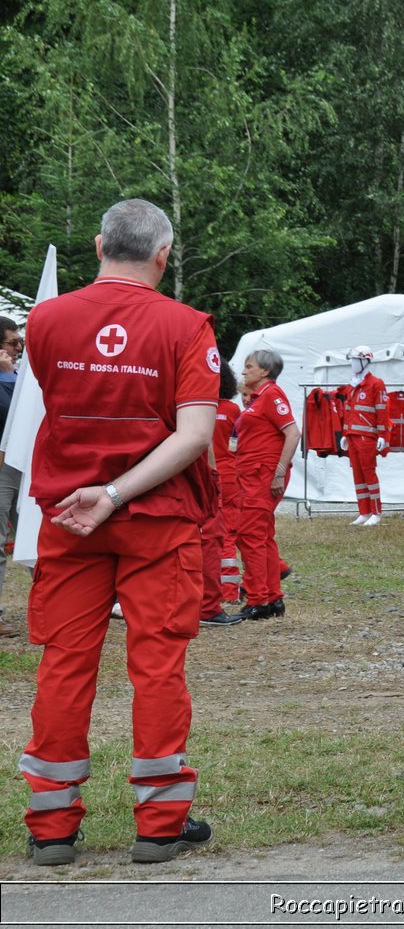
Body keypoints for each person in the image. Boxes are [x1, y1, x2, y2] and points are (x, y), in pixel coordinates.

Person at [18, 198, 219, 865]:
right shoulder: (187, 326)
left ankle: (51, 826)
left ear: (99, 244)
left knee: (64, 663)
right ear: (163, 256)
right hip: (155, 519)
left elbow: (61, 407)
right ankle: (160, 820)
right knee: (158, 664)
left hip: (69, 518)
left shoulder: (44, 321)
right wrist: (116, 492)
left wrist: (95, 491)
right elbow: (193, 436)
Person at [235, 350, 300, 621]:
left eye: (249, 366)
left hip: (262, 475)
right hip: (253, 474)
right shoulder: (259, 398)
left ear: (264, 371)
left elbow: (293, 432)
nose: (244, 371)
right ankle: (272, 598)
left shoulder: (272, 395)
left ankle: (258, 599)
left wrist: (279, 471)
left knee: (249, 536)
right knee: (261, 536)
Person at [338, 345, 389, 526]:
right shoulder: (353, 385)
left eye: (354, 361)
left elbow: (382, 410)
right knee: (357, 474)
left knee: (369, 473)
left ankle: (376, 511)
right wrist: (345, 433)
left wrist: (382, 435)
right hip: (352, 434)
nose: (352, 364)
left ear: (365, 361)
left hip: (367, 436)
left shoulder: (376, 384)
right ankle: (364, 512)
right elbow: (348, 410)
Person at [211, 361, 245, 603]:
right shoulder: (233, 410)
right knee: (228, 533)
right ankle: (229, 590)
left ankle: (213, 586)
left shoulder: (193, 408)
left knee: (208, 534)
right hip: (230, 477)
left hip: (205, 477)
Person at [0, 317, 22, 637]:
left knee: (40, 538)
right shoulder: (9, 378)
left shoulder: (14, 376)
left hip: (21, 463)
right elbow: (7, 410)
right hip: (2, 465)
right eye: (13, 343)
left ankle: (55, 606)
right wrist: (5, 377)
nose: (19, 349)